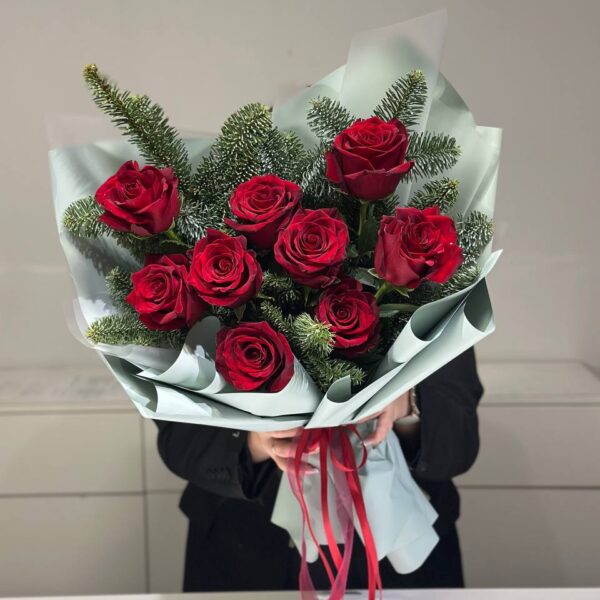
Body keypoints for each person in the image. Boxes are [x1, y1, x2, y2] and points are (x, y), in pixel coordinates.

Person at [155, 346, 483, 591]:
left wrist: (407, 405)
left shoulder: (431, 275)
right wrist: (255, 440)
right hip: (243, 555)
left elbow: (460, 440)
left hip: (404, 559)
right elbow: (178, 435)